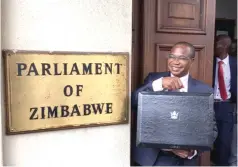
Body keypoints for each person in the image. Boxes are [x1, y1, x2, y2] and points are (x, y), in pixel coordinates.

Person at [131, 42, 218, 166]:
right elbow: (133, 102)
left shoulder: (204, 90)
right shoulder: (153, 80)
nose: (175, 62)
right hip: (153, 159)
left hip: (184, 161)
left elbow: (211, 129)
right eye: (172, 56)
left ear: (192, 61)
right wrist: (159, 84)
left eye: (182, 58)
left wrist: (192, 152)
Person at [211, 34, 237, 166]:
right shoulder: (207, 61)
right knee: (206, 137)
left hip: (226, 106)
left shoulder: (235, 63)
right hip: (208, 105)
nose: (214, 46)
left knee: (225, 141)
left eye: (217, 44)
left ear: (224, 46)